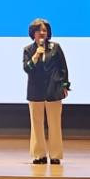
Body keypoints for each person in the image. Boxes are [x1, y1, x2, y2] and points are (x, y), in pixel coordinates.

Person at [22, 18, 70, 165]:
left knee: (54, 123)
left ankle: (55, 155)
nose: (42, 33)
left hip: (53, 90)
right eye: (38, 30)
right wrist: (36, 55)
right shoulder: (28, 50)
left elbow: (63, 68)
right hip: (35, 91)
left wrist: (65, 85)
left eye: (44, 30)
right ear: (33, 33)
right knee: (36, 124)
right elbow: (27, 68)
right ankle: (39, 155)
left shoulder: (55, 47)